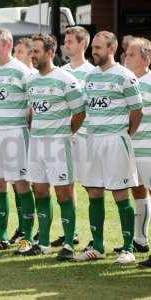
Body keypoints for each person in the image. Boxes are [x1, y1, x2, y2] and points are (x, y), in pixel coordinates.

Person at [75, 31, 143, 264]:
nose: (94, 51)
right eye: (93, 47)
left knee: (120, 194)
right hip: (93, 140)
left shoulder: (125, 76)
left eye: (99, 48)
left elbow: (137, 111)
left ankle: (128, 249)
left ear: (111, 49)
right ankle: (98, 246)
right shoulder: (91, 76)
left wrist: (125, 134)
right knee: (93, 191)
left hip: (116, 141)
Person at [22, 33, 86, 261]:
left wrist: (65, 133)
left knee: (64, 193)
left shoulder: (66, 79)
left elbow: (80, 112)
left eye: (36, 51)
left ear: (50, 53)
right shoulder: (30, 80)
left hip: (59, 145)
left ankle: (69, 243)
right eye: (31, 51)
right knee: (39, 190)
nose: (32, 55)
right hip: (36, 144)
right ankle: (45, 243)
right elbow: (32, 112)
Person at [0, 28, 35, 252]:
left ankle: (26, 239)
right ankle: (1, 237)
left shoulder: (22, 71)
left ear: (7, 45)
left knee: (21, 184)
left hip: (15, 134)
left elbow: (33, 105)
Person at [51, 26, 95, 248]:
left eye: (70, 41)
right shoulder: (61, 71)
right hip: (63, 138)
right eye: (65, 41)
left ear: (83, 44)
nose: (65, 45)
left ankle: (96, 238)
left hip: (85, 136)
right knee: (64, 187)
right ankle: (72, 232)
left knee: (91, 187)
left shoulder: (92, 72)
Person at [121, 37, 151, 254]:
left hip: (148, 149)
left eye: (131, 54)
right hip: (128, 148)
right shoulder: (125, 81)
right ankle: (140, 240)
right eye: (125, 54)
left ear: (146, 57)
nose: (125, 58)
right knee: (138, 191)